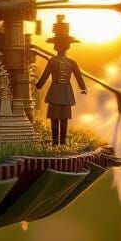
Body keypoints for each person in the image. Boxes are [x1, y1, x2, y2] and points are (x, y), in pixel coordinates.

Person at [35, 15, 87, 146]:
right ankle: (59, 142)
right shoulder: (71, 62)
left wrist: (38, 86)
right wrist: (83, 88)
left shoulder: (54, 61)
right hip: (65, 92)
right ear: (68, 47)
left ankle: (58, 142)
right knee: (60, 118)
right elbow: (78, 77)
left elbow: (45, 76)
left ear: (55, 47)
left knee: (59, 117)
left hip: (56, 91)